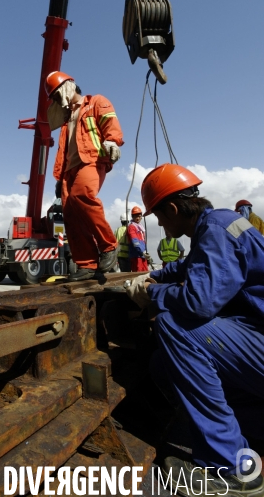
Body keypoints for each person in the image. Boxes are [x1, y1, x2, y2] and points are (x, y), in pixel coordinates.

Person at [124, 163, 264, 497]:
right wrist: (156, 276)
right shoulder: (219, 224)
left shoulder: (215, 230)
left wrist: (150, 293)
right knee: (162, 365)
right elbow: (190, 266)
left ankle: (230, 469)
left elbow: (198, 302)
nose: (158, 223)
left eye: (159, 215)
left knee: (177, 326)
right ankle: (249, 429)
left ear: (172, 208)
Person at [46, 71, 124, 282]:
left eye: (56, 95)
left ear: (68, 88)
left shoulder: (95, 102)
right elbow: (64, 150)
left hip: (91, 160)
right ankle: (87, 264)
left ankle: (108, 246)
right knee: (70, 214)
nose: (55, 100)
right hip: (69, 170)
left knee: (82, 196)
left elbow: (109, 121)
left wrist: (112, 140)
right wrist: (59, 178)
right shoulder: (66, 119)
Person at [127, 206, 150, 272]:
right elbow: (135, 242)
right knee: (138, 274)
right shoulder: (132, 227)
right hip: (136, 256)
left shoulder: (141, 228)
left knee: (145, 274)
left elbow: (143, 241)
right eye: (135, 216)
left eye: (139, 216)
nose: (137, 218)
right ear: (132, 216)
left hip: (142, 255)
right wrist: (142, 252)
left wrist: (145, 252)